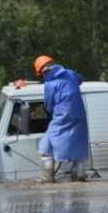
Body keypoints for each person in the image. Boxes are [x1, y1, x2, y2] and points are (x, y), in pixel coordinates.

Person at [34, 55, 89, 183]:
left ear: (44, 71)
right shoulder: (70, 73)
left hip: (63, 116)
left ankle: (48, 177)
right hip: (79, 115)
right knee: (77, 142)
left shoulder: (50, 83)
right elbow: (80, 79)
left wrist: (51, 112)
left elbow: (49, 103)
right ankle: (79, 175)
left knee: (45, 145)